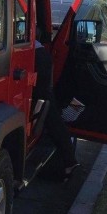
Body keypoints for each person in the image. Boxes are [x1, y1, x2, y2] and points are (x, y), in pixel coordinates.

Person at [34, 36, 79, 181]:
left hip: (34, 55)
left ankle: (69, 162)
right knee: (49, 110)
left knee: (48, 111)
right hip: (36, 53)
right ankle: (68, 161)